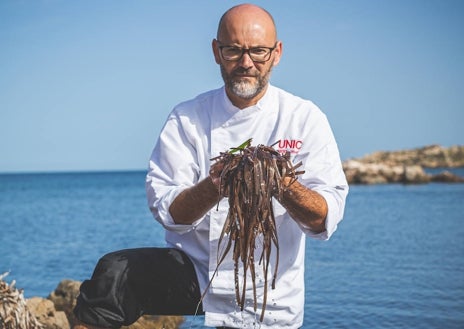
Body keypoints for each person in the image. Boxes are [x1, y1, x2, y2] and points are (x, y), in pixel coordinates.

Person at [73, 3, 348, 329]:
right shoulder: (187, 118)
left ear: (277, 53)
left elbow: (323, 219)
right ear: (217, 52)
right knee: (114, 274)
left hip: (269, 285)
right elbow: (169, 215)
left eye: (258, 51)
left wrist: (280, 183)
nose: (246, 63)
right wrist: (215, 185)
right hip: (197, 270)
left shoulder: (304, 118)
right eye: (233, 50)